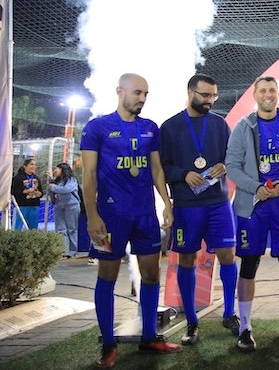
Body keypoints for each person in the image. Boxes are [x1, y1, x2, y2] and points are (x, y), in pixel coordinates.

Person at [81, 73, 182, 368]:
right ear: (120, 91)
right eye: (137, 92)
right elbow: (88, 175)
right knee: (107, 277)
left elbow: (157, 170)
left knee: (151, 275)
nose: (142, 98)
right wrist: (92, 216)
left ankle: (149, 336)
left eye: (145, 94)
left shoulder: (150, 128)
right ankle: (108, 344)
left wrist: (167, 204)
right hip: (110, 217)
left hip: (145, 216)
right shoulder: (97, 127)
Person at [226, 76, 279, 352]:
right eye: (263, 90)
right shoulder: (243, 127)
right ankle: (245, 327)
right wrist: (256, 187)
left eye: (272, 90)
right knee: (249, 265)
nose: (268, 95)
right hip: (253, 205)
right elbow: (232, 165)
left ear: (278, 93)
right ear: (255, 95)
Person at [159, 74, 240, 346]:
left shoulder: (220, 124)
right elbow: (161, 167)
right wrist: (183, 174)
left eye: (214, 96)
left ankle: (229, 313)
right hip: (186, 206)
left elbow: (232, 157)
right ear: (190, 92)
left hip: (218, 203)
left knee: (228, 255)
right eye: (205, 95)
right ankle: (192, 321)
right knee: (187, 259)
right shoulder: (170, 127)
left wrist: (225, 165)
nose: (210, 101)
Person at [48, 162, 81, 258]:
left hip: (71, 206)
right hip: (59, 206)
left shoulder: (72, 180)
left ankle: (72, 251)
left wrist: (53, 187)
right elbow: (52, 193)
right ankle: (63, 251)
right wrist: (51, 181)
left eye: (57, 168)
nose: (55, 170)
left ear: (63, 169)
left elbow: (66, 189)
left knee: (72, 229)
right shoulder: (56, 181)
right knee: (60, 229)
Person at [11, 158, 43, 230]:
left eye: (35, 165)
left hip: (34, 205)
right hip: (21, 205)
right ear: (25, 166)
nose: (34, 166)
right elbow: (13, 192)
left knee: (33, 228)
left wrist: (39, 194)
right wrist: (25, 191)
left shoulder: (37, 178)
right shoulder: (18, 178)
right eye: (31, 164)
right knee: (17, 227)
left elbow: (41, 192)